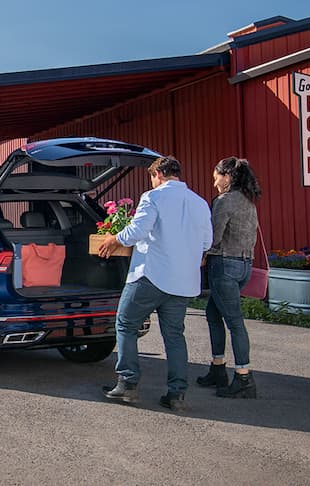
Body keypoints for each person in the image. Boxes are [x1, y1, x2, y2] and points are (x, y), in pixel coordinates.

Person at [97, 156, 212, 411]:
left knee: (125, 323)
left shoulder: (153, 197)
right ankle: (177, 394)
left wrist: (114, 238)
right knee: (174, 336)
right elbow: (206, 243)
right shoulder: (200, 203)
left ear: (158, 174)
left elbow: (137, 231)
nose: (152, 182)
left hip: (151, 276)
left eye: (152, 177)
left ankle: (127, 384)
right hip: (183, 282)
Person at [196, 157, 261, 399]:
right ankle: (217, 368)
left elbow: (213, 237)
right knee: (213, 313)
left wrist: (199, 252)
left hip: (224, 265)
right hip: (244, 265)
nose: (214, 184)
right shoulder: (248, 202)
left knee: (234, 322)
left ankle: (244, 377)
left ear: (228, 177)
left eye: (216, 178)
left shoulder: (224, 202)